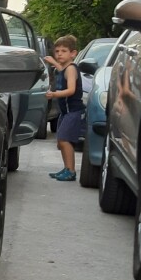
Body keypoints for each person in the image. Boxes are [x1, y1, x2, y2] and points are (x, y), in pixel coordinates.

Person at [45, 35, 85, 181]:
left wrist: (54, 94)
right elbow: (61, 69)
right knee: (61, 141)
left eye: (64, 51)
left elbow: (71, 90)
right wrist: (54, 63)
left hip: (73, 111)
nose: (59, 53)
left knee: (64, 140)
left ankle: (71, 171)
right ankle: (67, 168)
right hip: (66, 112)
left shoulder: (72, 69)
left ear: (73, 53)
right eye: (57, 51)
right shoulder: (66, 68)